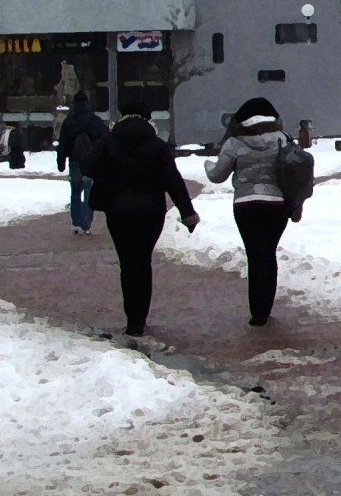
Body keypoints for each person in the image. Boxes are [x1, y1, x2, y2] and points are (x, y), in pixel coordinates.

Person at [83, 110, 198, 337]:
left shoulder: (109, 142)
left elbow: (87, 166)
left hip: (118, 211)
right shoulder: (157, 145)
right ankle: (140, 318)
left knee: (127, 263)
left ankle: (131, 319)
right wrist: (187, 212)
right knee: (143, 262)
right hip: (151, 212)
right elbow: (173, 180)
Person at [204, 97, 292, 327]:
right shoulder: (282, 139)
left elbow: (217, 176)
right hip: (276, 204)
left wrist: (207, 165)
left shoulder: (234, 142)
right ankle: (266, 307)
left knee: (255, 255)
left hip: (246, 204)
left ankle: (257, 313)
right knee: (269, 254)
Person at [55, 93, 109, 234]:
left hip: (75, 162)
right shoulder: (95, 121)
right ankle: (86, 224)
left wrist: (61, 162)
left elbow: (63, 144)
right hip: (91, 163)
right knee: (89, 193)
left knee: (75, 192)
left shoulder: (69, 122)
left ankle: (76, 222)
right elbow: (105, 140)